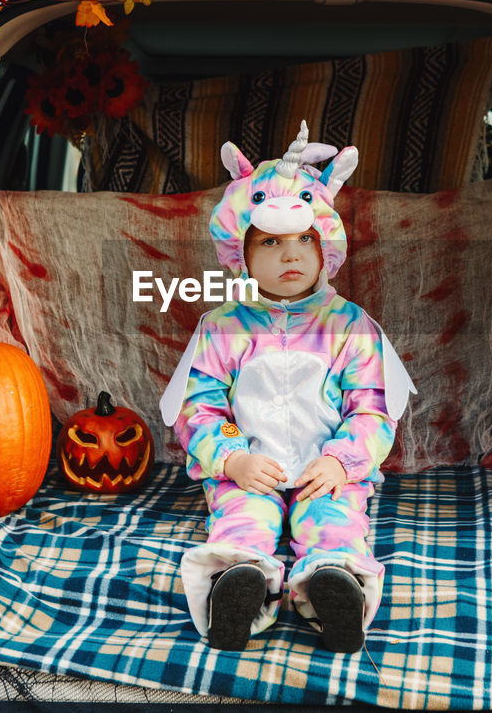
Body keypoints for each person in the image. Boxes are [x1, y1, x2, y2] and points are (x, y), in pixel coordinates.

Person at [160, 121, 415, 653]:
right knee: (242, 522)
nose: (291, 255)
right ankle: (241, 587)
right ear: (239, 253)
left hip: (326, 472)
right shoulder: (222, 326)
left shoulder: (351, 325)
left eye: (305, 240)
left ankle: (332, 586)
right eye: (271, 242)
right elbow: (202, 407)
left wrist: (342, 461)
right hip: (251, 468)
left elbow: (370, 409)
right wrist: (231, 457)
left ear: (327, 245)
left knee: (334, 521)